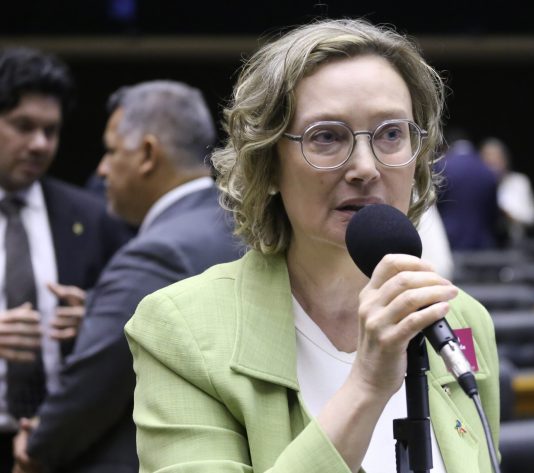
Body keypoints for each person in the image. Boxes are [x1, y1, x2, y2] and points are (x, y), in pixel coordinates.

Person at [125, 19, 500, 473]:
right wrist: (366, 385)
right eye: (326, 136)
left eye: (390, 134)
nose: (365, 167)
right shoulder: (179, 330)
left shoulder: (461, 319)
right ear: (268, 162)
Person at [12, 80, 242, 472]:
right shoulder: (242, 227)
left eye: (111, 151)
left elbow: (96, 382)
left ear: (148, 154)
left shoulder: (156, 254)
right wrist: (101, 311)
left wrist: (36, 447)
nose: (101, 169)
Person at [0, 47, 131, 471]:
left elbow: (128, 315)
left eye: (50, 131)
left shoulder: (92, 216)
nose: (39, 144)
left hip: (64, 445)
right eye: (23, 127)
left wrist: (92, 319)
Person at [436, 133, 499, 250]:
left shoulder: (442, 166)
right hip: (481, 241)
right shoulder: (487, 169)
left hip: (448, 239)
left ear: (448, 146)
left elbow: (434, 205)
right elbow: (493, 212)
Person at [480, 137, 534, 246]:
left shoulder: (519, 182)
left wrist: (509, 216)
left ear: (505, 160)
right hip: (485, 245)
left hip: (515, 244)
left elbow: (532, 218)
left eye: (496, 159)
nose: (492, 165)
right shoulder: (477, 186)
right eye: (488, 161)